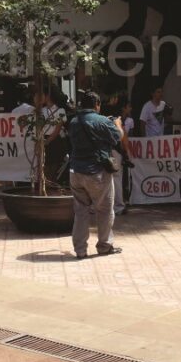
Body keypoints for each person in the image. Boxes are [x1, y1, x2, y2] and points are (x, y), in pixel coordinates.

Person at [67, 91, 123, 259]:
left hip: (76, 172)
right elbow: (118, 137)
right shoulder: (103, 121)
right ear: (97, 105)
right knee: (105, 209)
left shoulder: (74, 121)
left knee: (81, 211)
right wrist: (118, 124)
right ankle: (105, 245)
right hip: (97, 172)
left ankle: (80, 250)